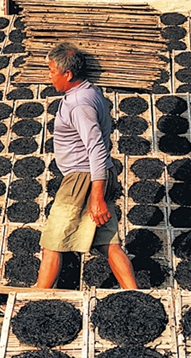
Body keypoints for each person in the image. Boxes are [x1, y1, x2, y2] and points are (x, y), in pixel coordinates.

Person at [36, 42, 137, 289]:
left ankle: (33, 299)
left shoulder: (79, 104)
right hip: (97, 175)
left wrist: (97, 197)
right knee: (108, 242)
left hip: (82, 179)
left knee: (52, 241)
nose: (49, 76)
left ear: (68, 74)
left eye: (52, 71)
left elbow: (96, 147)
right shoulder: (92, 92)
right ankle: (135, 294)